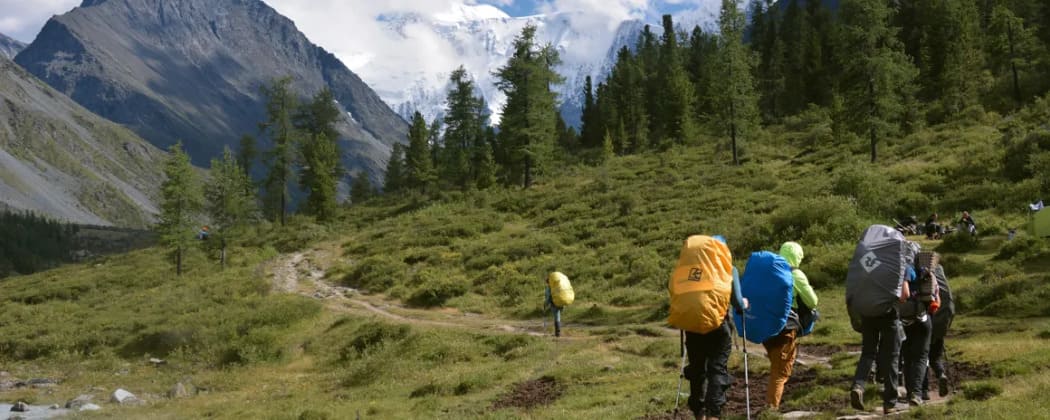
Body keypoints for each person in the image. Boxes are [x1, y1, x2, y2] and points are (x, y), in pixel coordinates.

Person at [682, 235, 748, 420]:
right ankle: (714, 414)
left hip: (693, 326)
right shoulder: (728, 269)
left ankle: (699, 413)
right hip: (718, 326)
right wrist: (744, 303)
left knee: (697, 370)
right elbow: (737, 302)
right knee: (717, 369)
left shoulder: (691, 270)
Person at [762, 242, 819, 411]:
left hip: (766, 325)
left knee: (776, 364)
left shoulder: (770, 271)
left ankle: (772, 401)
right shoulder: (795, 274)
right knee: (780, 372)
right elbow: (812, 301)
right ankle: (771, 409)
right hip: (785, 327)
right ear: (798, 257)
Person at [850, 263, 911, 414]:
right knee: (891, 357)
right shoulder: (898, 264)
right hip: (888, 315)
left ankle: (858, 386)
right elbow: (905, 295)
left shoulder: (869, 260)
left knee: (868, 352)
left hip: (868, 313)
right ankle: (890, 403)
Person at [899, 261, 933, 406]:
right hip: (921, 318)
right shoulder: (919, 269)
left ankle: (909, 392)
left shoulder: (892, 269)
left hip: (904, 321)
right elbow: (934, 292)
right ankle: (917, 394)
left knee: (908, 358)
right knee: (920, 357)